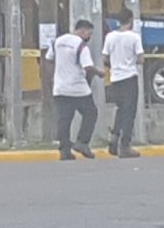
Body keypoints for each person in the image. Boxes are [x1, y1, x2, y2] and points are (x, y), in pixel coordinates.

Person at [45, 19, 105, 161]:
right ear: (83, 31)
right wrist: (99, 73)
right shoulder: (81, 45)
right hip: (78, 89)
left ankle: (64, 151)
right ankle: (82, 142)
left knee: (64, 120)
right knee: (91, 113)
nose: (89, 37)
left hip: (60, 88)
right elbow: (88, 67)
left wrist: (52, 78)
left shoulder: (57, 41)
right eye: (89, 34)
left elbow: (48, 59)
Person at [102, 9, 143, 159]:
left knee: (120, 110)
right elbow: (141, 59)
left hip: (115, 78)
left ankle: (114, 140)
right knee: (129, 112)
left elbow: (105, 58)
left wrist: (114, 65)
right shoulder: (134, 37)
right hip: (129, 77)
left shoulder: (110, 37)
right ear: (131, 20)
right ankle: (125, 145)